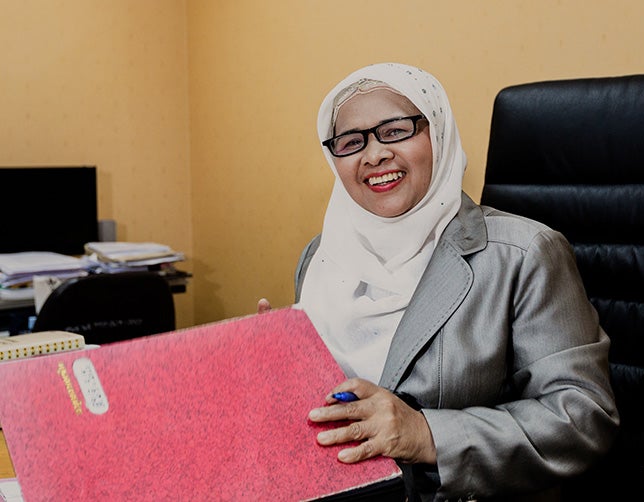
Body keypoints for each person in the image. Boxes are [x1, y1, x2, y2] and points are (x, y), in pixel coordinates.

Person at [259, 63, 618, 501]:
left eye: (395, 130)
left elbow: (583, 419)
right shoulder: (320, 258)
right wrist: (276, 366)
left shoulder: (525, 254)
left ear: (438, 134)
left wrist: (424, 434)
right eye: (351, 142)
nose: (373, 155)